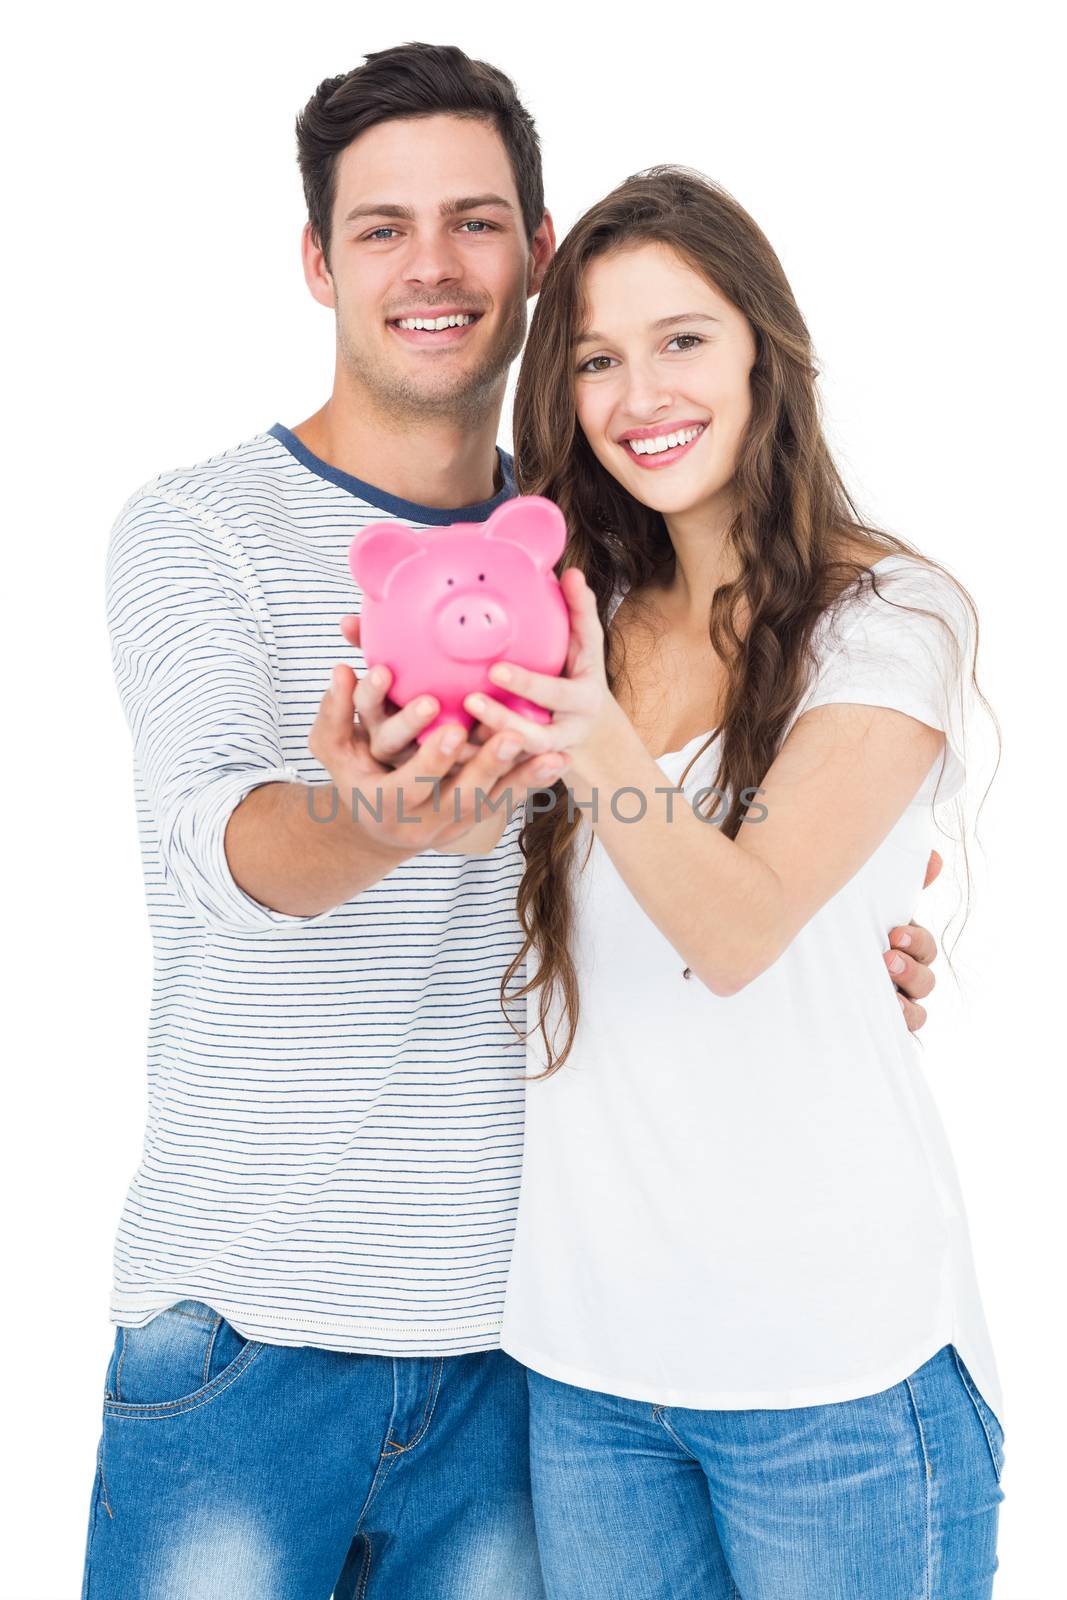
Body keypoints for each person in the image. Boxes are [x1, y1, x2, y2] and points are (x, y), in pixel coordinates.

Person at [80, 44, 945, 1600]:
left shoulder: (595, 566)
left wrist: (866, 947)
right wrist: (372, 821)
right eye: (381, 228)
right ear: (314, 261)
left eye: (476, 221)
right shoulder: (197, 528)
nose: (433, 267)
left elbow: (737, 851)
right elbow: (215, 845)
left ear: (536, 255)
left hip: (528, 1352)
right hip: (252, 1326)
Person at [454, 167, 1006, 1598]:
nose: (641, 390)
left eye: (682, 338)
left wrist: (594, 734)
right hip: (585, 1374)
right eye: (593, 356)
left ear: (764, 347)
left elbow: (745, 926)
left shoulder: (889, 617)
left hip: (832, 1380)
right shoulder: (570, 621)